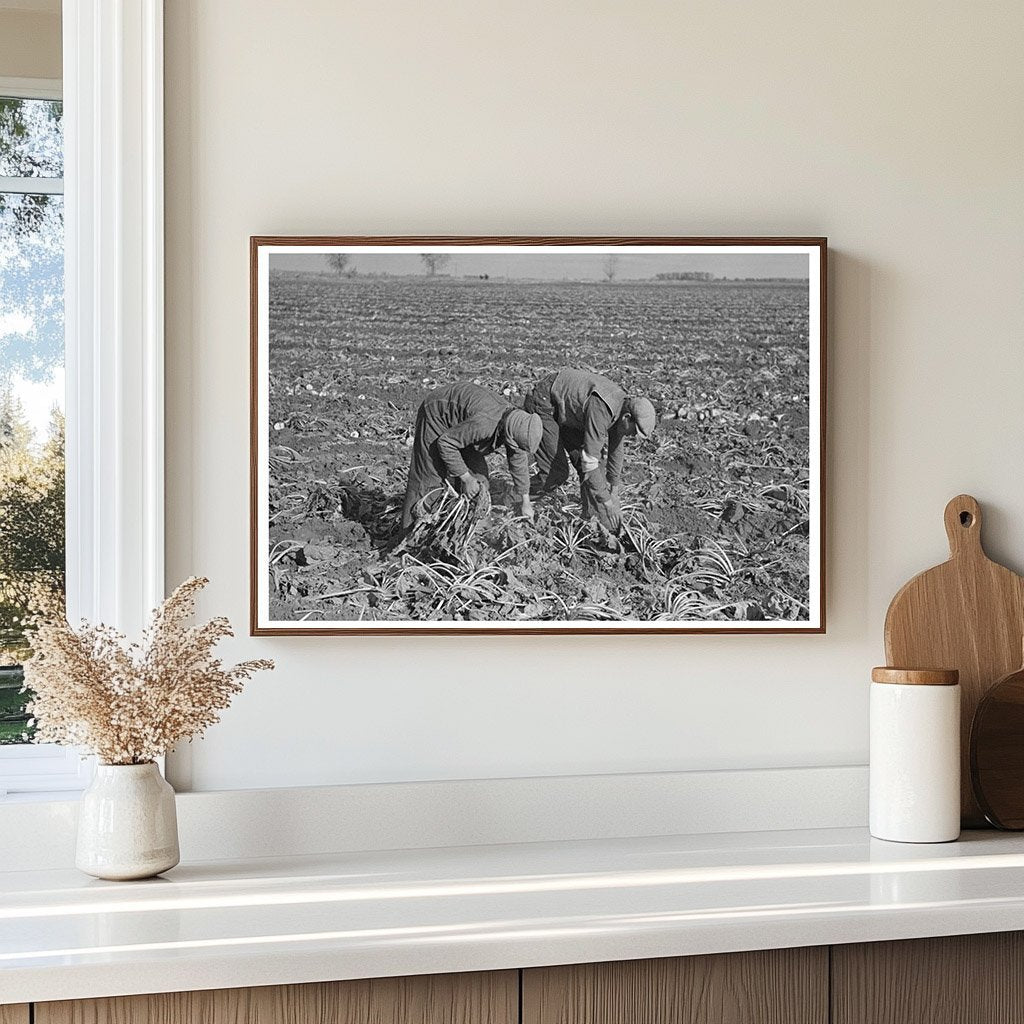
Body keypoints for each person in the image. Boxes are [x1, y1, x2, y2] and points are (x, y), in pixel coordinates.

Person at [523, 368, 656, 532]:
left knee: (596, 472)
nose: (633, 436)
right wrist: (607, 503)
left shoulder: (622, 409)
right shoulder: (602, 409)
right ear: (627, 418)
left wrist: (613, 491)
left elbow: (616, 450)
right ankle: (515, 499)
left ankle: (593, 524)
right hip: (545, 403)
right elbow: (589, 462)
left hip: (568, 412)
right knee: (555, 473)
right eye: (634, 431)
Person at [401, 382, 543, 531]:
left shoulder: (517, 423)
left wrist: (525, 501)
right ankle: (408, 540)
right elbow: (446, 443)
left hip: (463, 424)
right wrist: (466, 478)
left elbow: (518, 461)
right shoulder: (485, 424)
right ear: (509, 435)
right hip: (437, 415)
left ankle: (475, 533)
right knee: (428, 481)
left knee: (480, 481)